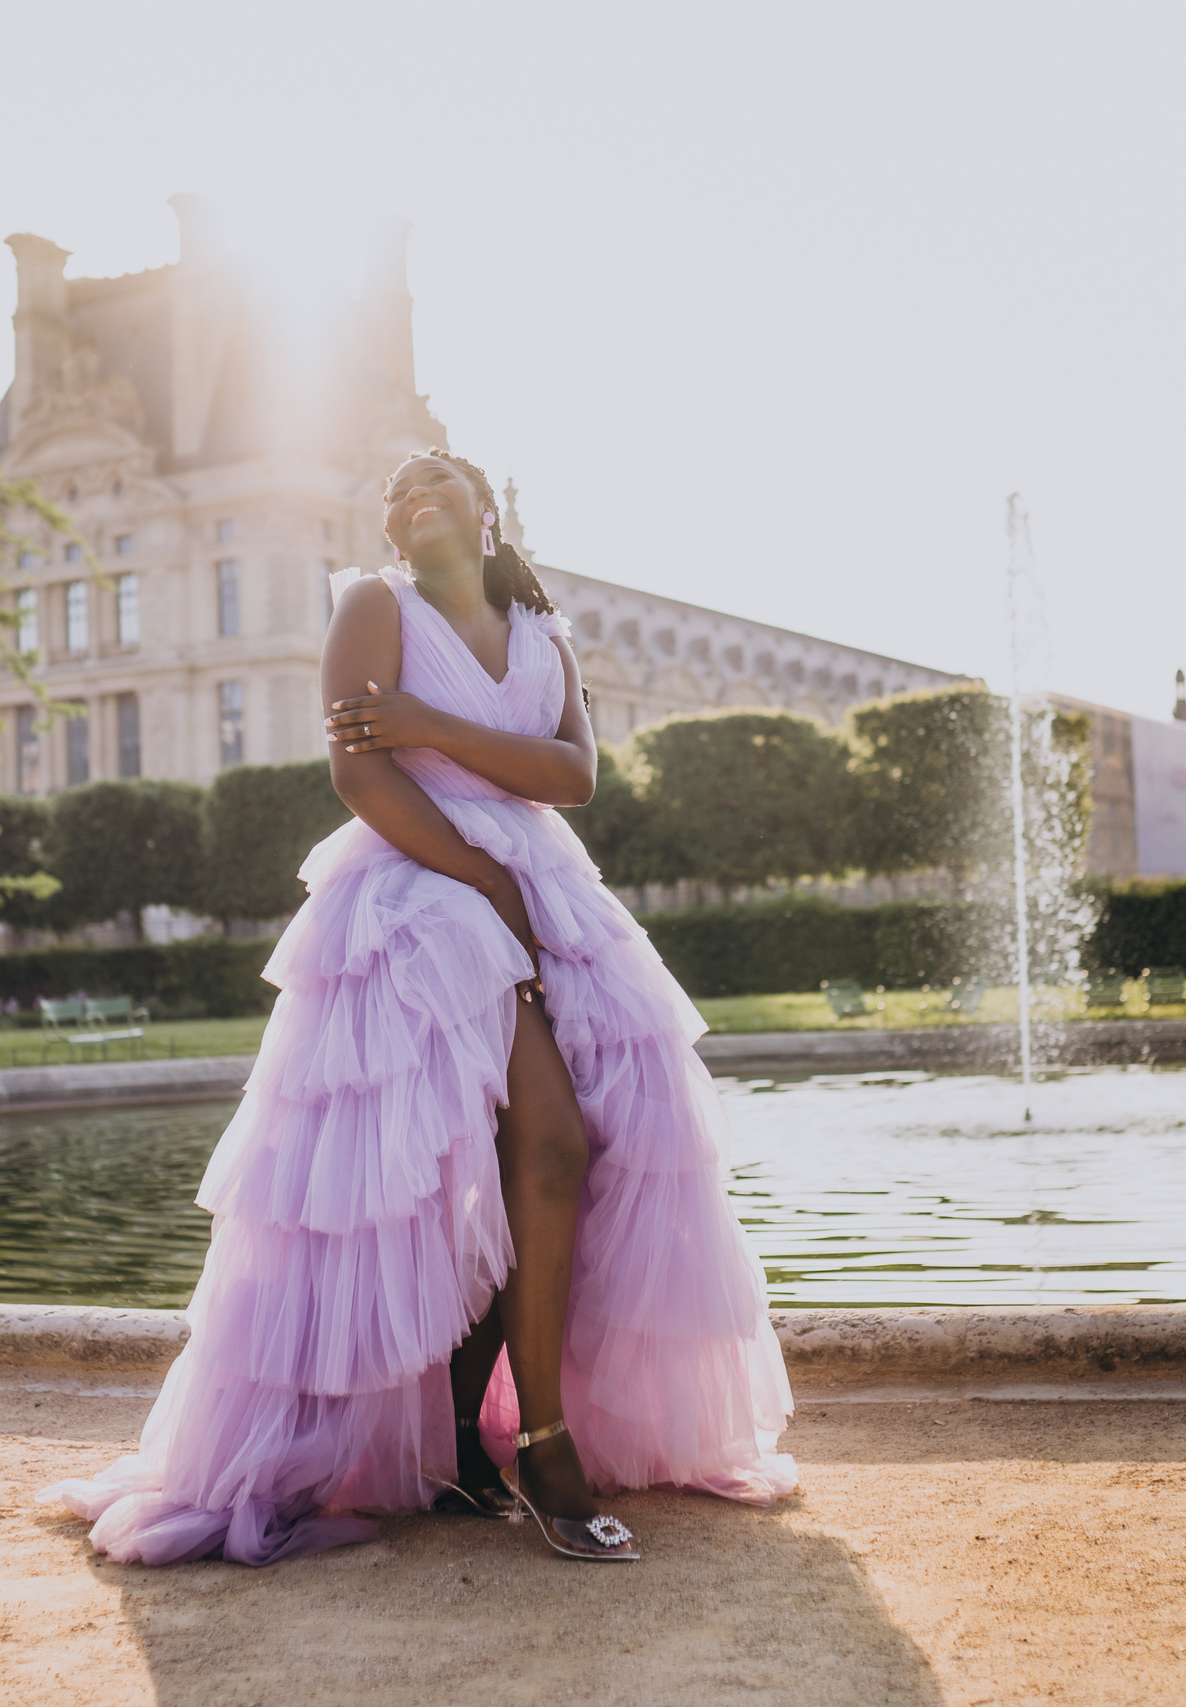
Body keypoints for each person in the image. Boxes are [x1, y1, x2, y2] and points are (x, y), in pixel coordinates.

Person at [46, 451, 794, 1565]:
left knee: (596, 1146)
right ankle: (540, 1449)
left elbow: (573, 778)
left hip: (545, 887)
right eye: (395, 489)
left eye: (438, 477)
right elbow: (359, 774)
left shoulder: (548, 637)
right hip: (415, 890)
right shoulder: (370, 603)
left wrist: (431, 727)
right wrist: (479, 878)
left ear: (488, 518)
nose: (412, 491)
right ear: (391, 533)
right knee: (547, 1144)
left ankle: (453, 1428)